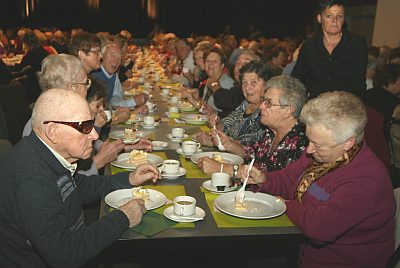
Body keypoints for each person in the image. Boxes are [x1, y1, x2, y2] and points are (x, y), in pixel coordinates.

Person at [0, 88, 160, 267]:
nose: (95, 134)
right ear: (52, 131)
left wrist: (129, 179)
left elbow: (80, 187)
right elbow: (64, 254)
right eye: (84, 127)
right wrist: (123, 216)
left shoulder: (46, 153)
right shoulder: (32, 179)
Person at [242, 91, 395, 267]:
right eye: (309, 141)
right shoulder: (320, 155)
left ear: (348, 143)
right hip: (300, 248)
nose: (309, 150)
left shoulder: (366, 179)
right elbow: (286, 179)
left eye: (318, 145)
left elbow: (320, 227)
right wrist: (263, 179)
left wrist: (284, 204)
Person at [197, 75, 308, 177]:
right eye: (264, 101)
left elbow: (268, 180)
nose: (261, 106)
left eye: (268, 103)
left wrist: (221, 168)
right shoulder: (271, 132)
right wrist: (228, 144)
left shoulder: (299, 144)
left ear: (288, 110)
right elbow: (251, 153)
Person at [292, 0, 368, 100]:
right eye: (329, 16)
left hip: (346, 107)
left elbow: (359, 83)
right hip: (316, 107)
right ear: (319, 18)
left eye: (339, 16)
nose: (335, 20)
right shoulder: (309, 46)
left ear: (343, 20)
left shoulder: (357, 44)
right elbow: (297, 78)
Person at [197, 61, 272, 147]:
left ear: (266, 85)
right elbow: (226, 125)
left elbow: (253, 146)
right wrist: (217, 122)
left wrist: (217, 142)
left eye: (253, 82)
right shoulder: (245, 104)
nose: (247, 88)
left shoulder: (266, 113)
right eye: (244, 82)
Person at [91, 41, 148, 111]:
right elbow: (99, 109)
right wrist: (133, 102)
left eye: (119, 58)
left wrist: (133, 107)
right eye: (112, 55)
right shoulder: (94, 76)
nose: (115, 61)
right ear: (102, 56)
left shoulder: (114, 75)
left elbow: (117, 97)